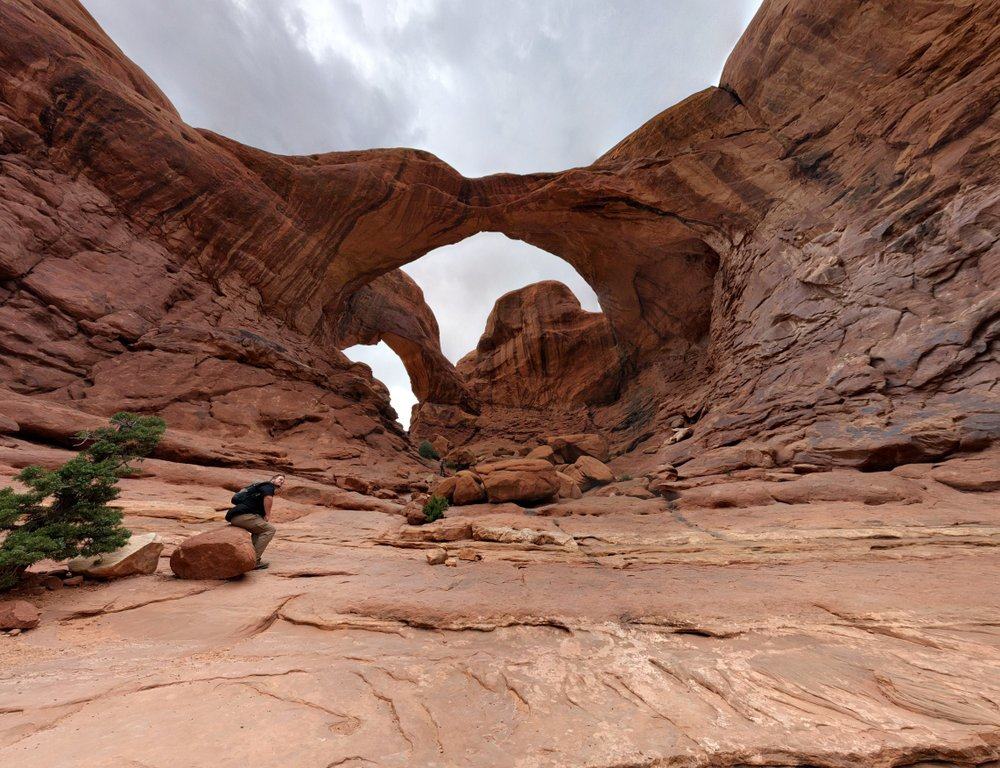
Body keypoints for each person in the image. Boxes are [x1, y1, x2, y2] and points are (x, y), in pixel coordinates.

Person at [225, 474, 285, 569]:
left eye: (283, 481)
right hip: (243, 516)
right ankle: (254, 561)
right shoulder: (268, 486)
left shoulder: (258, 489)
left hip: (237, 516)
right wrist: (267, 514)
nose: (282, 482)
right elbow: (268, 498)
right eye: (280, 479)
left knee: (258, 532)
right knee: (269, 530)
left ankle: (248, 558)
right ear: (273, 479)